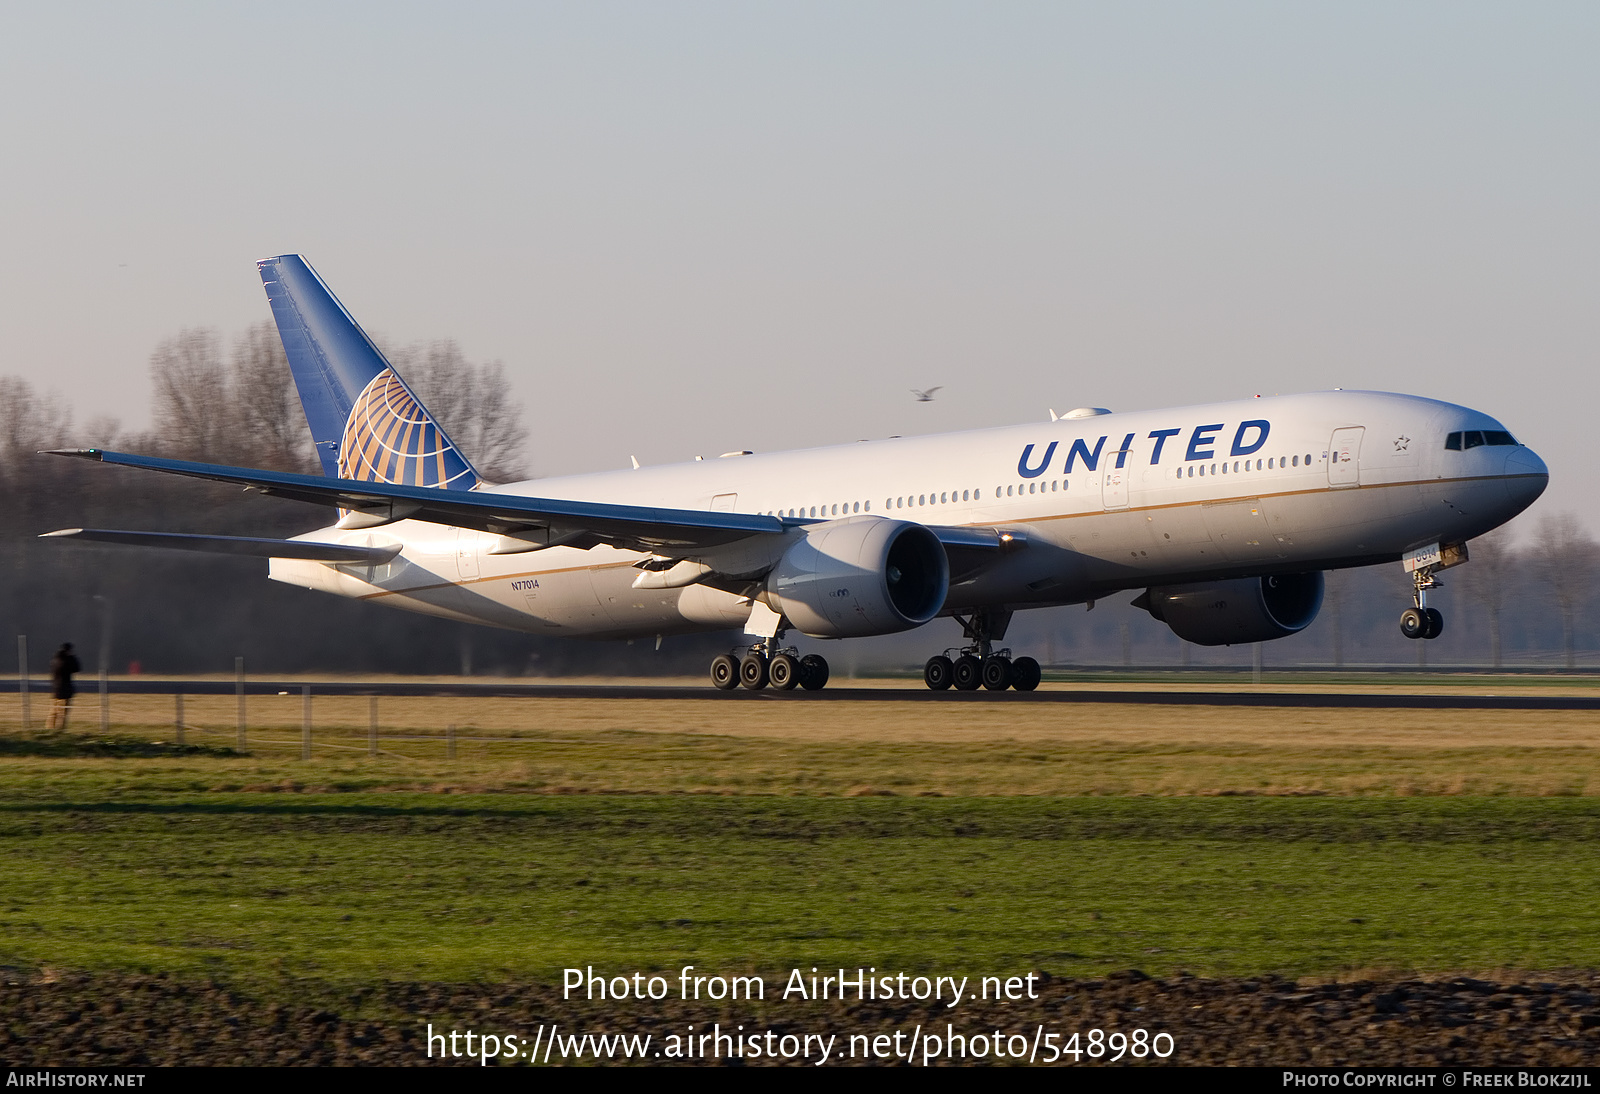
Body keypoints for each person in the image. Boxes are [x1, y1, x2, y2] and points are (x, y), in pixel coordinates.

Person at [47, 643, 80, 730]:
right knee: (63, 713)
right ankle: (60, 730)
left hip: (55, 689)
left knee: (53, 712)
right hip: (65, 690)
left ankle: (49, 729)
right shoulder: (66, 661)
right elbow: (76, 668)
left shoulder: (55, 659)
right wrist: (72, 657)